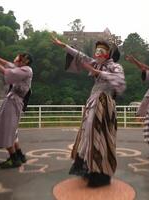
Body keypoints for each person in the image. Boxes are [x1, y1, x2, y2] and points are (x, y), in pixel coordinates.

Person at [52, 35, 126, 187]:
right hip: (93, 100)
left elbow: (119, 81)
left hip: (104, 102)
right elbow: (80, 56)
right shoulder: (95, 63)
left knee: (100, 135)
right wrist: (63, 45)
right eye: (96, 51)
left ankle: (101, 174)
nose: (97, 54)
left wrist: (98, 72)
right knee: (88, 134)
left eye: (101, 51)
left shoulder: (115, 66)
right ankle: (90, 167)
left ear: (108, 54)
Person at [0, 50, 33, 168]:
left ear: (24, 61)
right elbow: (7, 64)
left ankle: (13, 158)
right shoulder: (22, 69)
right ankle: (19, 155)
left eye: (17, 58)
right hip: (14, 101)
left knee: (6, 129)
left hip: (13, 101)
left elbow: (6, 71)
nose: (15, 59)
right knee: (12, 129)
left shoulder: (26, 70)